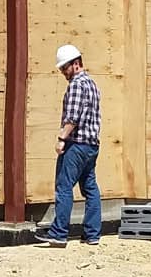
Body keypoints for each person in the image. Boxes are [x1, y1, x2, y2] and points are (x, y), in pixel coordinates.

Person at [34, 43, 101, 247]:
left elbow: (72, 117)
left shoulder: (76, 85)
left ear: (76, 63)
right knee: (90, 188)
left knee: (63, 187)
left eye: (65, 67)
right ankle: (92, 234)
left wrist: (62, 139)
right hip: (91, 145)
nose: (63, 72)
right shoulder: (92, 84)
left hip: (76, 145)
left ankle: (59, 233)